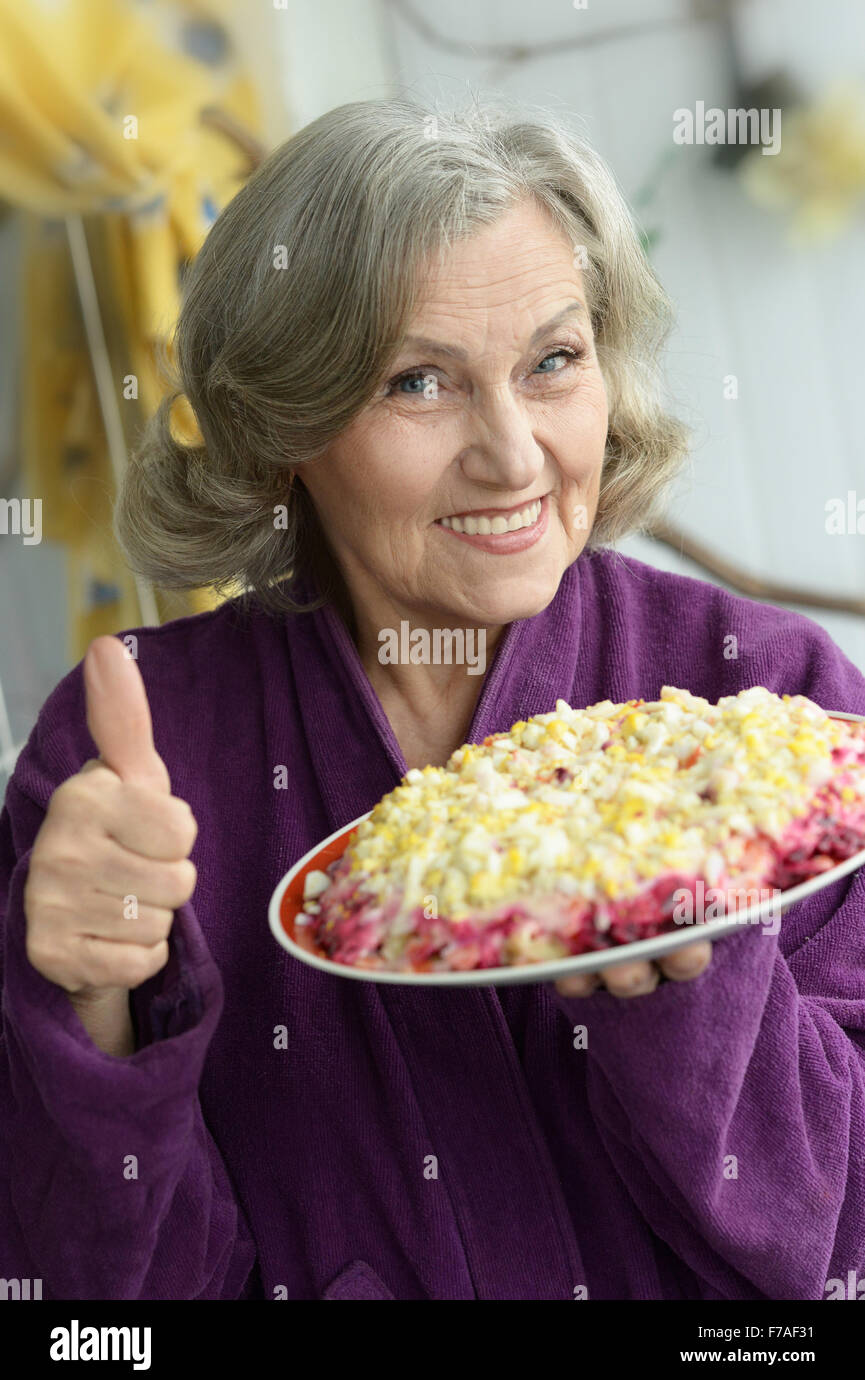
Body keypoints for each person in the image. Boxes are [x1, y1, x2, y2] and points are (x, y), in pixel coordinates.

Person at [2, 96, 863, 1300]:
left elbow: (837, 1248)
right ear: (281, 422)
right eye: (420, 382)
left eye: (553, 362)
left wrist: (691, 981)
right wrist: (91, 1010)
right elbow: (96, 1316)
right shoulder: (132, 763)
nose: (513, 453)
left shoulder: (773, 709)